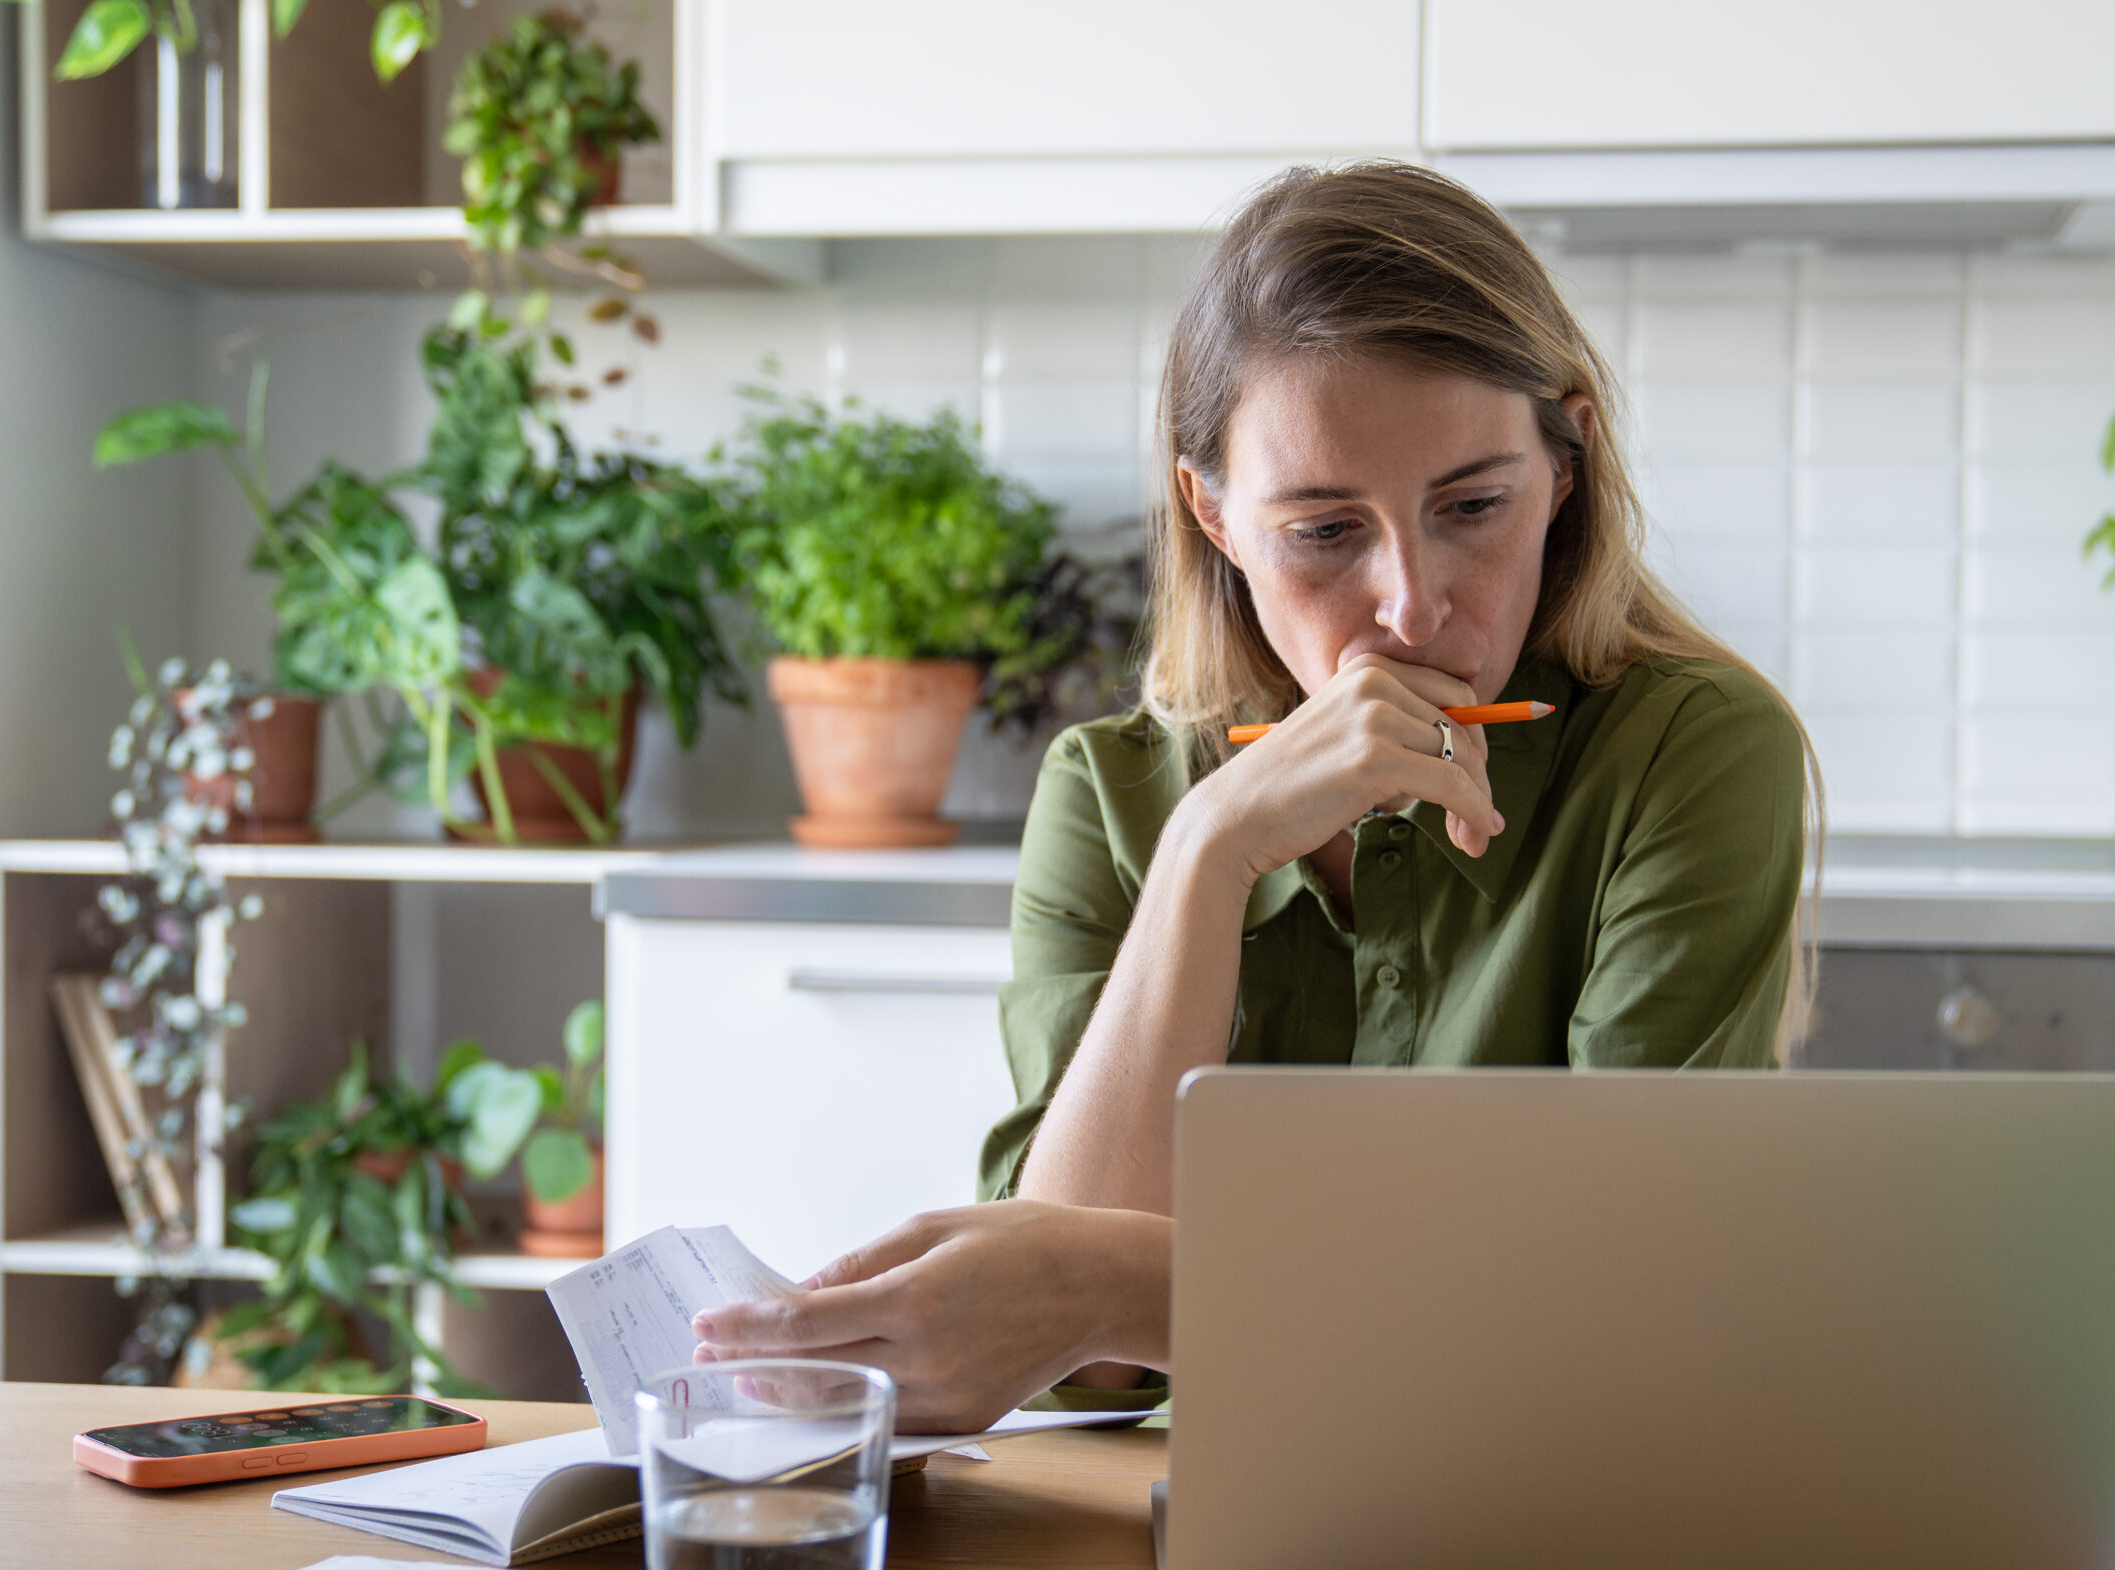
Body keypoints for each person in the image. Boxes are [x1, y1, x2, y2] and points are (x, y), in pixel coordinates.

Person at [694, 162, 1821, 1429]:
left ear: (1566, 467)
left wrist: (1113, 1285)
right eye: (1325, 533)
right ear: (1213, 515)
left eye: (1471, 506)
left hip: (1535, 1508)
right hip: (1150, 1534)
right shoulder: (1113, 795)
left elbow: (1621, 1302)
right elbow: (1073, 1372)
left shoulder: (1693, 751)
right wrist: (1207, 853)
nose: (1409, 604)